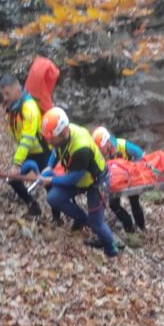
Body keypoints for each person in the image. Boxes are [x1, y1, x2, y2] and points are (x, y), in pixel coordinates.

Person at [38, 108, 119, 258]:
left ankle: (111, 249)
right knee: (53, 198)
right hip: (80, 176)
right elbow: (56, 151)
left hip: (96, 181)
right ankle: (82, 219)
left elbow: (72, 179)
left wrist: (51, 179)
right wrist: (49, 167)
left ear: (63, 132)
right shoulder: (62, 136)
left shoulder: (81, 147)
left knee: (97, 224)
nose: (48, 141)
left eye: (51, 138)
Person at [0, 74, 52, 218]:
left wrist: (17, 163)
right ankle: (33, 206)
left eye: (7, 93)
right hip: (28, 152)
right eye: (3, 94)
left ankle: (57, 218)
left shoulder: (29, 108)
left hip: (43, 152)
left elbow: (27, 139)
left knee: (49, 185)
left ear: (17, 91)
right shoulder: (13, 108)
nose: (5, 98)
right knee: (13, 179)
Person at [92, 126, 146, 233]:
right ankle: (129, 226)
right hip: (115, 181)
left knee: (134, 201)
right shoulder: (101, 154)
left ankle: (141, 227)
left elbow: (142, 155)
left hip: (130, 179)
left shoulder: (123, 145)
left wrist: (134, 169)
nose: (102, 151)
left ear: (107, 141)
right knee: (113, 204)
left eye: (102, 147)